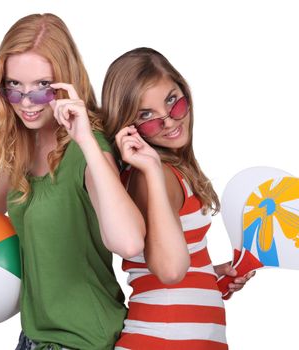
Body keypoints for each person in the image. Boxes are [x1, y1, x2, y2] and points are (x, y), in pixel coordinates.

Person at [0, 14, 146, 350]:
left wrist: (88, 143)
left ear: (66, 81)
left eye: (42, 87)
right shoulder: (24, 146)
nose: (25, 101)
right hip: (34, 338)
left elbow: (130, 242)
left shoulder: (89, 148)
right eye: (14, 86)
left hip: (85, 340)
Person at [101, 47, 255, 350]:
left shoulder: (168, 171)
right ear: (127, 126)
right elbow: (169, 271)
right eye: (147, 115)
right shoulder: (154, 175)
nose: (169, 121)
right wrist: (154, 171)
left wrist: (208, 276)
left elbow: (161, 263)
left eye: (172, 100)